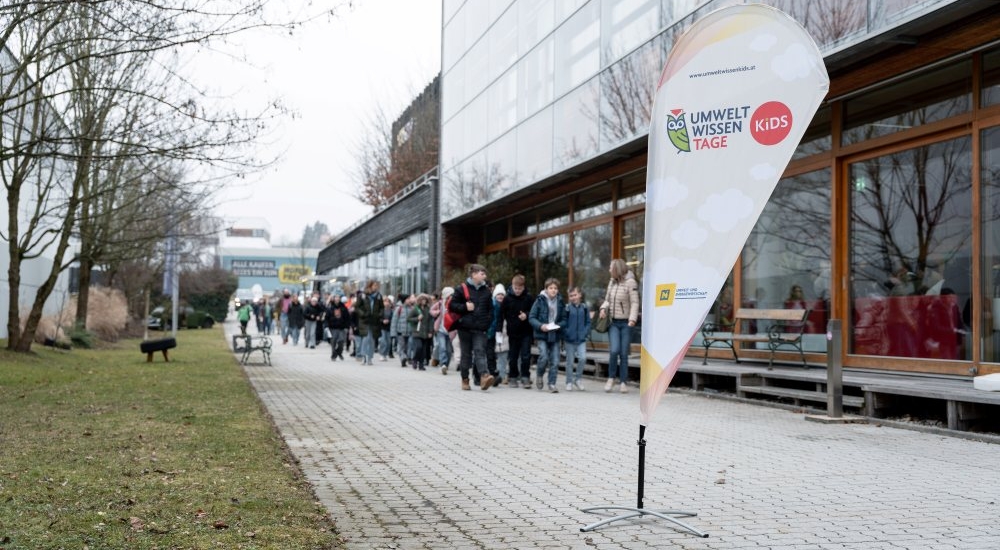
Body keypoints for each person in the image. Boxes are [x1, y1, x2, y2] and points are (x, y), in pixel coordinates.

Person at [449, 264, 495, 391]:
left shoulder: (486, 291)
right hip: (465, 328)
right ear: (474, 274)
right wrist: (465, 307)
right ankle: (465, 379)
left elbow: (491, 310)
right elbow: (452, 305)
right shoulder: (461, 289)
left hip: (480, 328)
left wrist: (487, 323)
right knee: (466, 355)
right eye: (482, 274)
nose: (485, 276)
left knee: (480, 351)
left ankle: (484, 376)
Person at [599, 258, 639, 394]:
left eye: (611, 268)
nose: (609, 270)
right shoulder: (612, 282)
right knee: (614, 350)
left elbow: (634, 302)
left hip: (626, 323)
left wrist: (632, 319)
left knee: (623, 353)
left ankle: (623, 382)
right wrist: (603, 309)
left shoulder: (630, 282)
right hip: (613, 323)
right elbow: (607, 300)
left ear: (617, 269)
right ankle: (611, 378)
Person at [530, 278, 567, 393]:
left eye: (555, 288)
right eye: (551, 288)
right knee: (544, 356)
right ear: (546, 289)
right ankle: (539, 374)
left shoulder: (560, 302)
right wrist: (541, 326)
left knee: (555, 360)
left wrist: (558, 325)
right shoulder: (539, 300)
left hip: (555, 334)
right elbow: (532, 317)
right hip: (542, 334)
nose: (553, 290)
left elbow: (565, 319)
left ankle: (552, 384)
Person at [500, 274, 533, 389]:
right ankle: (513, 376)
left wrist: (526, 315)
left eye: (520, 288)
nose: (518, 291)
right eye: (516, 288)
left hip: (526, 332)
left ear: (523, 287)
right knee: (513, 356)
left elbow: (534, 312)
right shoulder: (507, 298)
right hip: (513, 332)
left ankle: (525, 376)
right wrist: (500, 329)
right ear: (512, 286)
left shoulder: (528, 298)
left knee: (526, 355)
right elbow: (501, 314)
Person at [563, 286, 590, 391]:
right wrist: (567, 333)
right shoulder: (567, 308)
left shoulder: (585, 308)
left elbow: (588, 322)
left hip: (581, 340)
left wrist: (585, 332)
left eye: (575, 295)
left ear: (580, 295)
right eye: (571, 296)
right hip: (569, 340)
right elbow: (564, 322)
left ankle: (577, 379)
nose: (573, 297)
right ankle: (569, 381)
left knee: (583, 358)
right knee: (570, 362)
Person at [354, 280, 384, 365]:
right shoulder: (362, 295)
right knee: (366, 338)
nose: (376, 287)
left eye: (377, 286)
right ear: (370, 286)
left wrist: (379, 314)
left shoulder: (378, 296)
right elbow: (357, 307)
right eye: (374, 285)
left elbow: (382, 307)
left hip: (374, 320)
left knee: (372, 340)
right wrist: (363, 314)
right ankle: (364, 356)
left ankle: (370, 357)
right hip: (365, 320)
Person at [430, 287, 454, 375]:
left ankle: (446, 365)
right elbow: (431, 310)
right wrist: (437, 312)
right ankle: (443, 364)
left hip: (451, 330)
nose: (451, 297)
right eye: (450, 295)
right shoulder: (440, 303)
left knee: (449, 350)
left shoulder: (454, 304)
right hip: (441, 330)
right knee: (442, 347)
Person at [407, 293, 434, 370]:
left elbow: (430, 321)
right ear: (419, 300)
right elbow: (408, 319)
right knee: (419, 347)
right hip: (417, 332)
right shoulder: (415, 309)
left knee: (424, 350)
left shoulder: (428, 309)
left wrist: (430, 331)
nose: (424, 301)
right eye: (422, 299)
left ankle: (421, 365)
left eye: (425, 299)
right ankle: (415, 360)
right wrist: (417, 319)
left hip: (425, 333)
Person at [488, 284, 507, 386]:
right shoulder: (492, 305)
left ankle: (501, 375)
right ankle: (492, 373)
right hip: (492, 333)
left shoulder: (506, 305)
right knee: (490, 354)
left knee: (501, 353)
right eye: (498, 294)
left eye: (502, 294)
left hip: (502, 333)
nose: (500, 296)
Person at [325, 294, 350, 360]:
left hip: (341, 327)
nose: (337, 299)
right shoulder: (330, 307)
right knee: (333, 342)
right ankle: (333, 355)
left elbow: (347, 318)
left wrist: (347, 326)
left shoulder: (343, 307)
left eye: (338, 297)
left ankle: (339, 352)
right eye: (336, 297)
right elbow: (326, 318)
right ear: (334, 299)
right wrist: (326, 326)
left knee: (341, 341)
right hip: (333, 327)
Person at [392, 294, 413, 368]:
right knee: (401, 346)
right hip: (400, 331)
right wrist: (393, 333)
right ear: (404, 300)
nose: (409, 300)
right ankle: (403, 358)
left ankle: (406, 357)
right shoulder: (399, 309)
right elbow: (394, 321)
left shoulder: (411, 308)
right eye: (408, 299)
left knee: (408, 346)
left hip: (409, 331)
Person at [379, 295, 394, 361]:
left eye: (388, 302)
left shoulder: (391, 310)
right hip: (382, 327)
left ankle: (385, 354)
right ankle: (382, 354)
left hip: (389, 328)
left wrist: (389, 321)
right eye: (385, 301)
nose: (387, 303)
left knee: (388, 342)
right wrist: (383, 321)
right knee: (383, 341)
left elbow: (393, 318)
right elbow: (378, 318)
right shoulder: (380, 310)